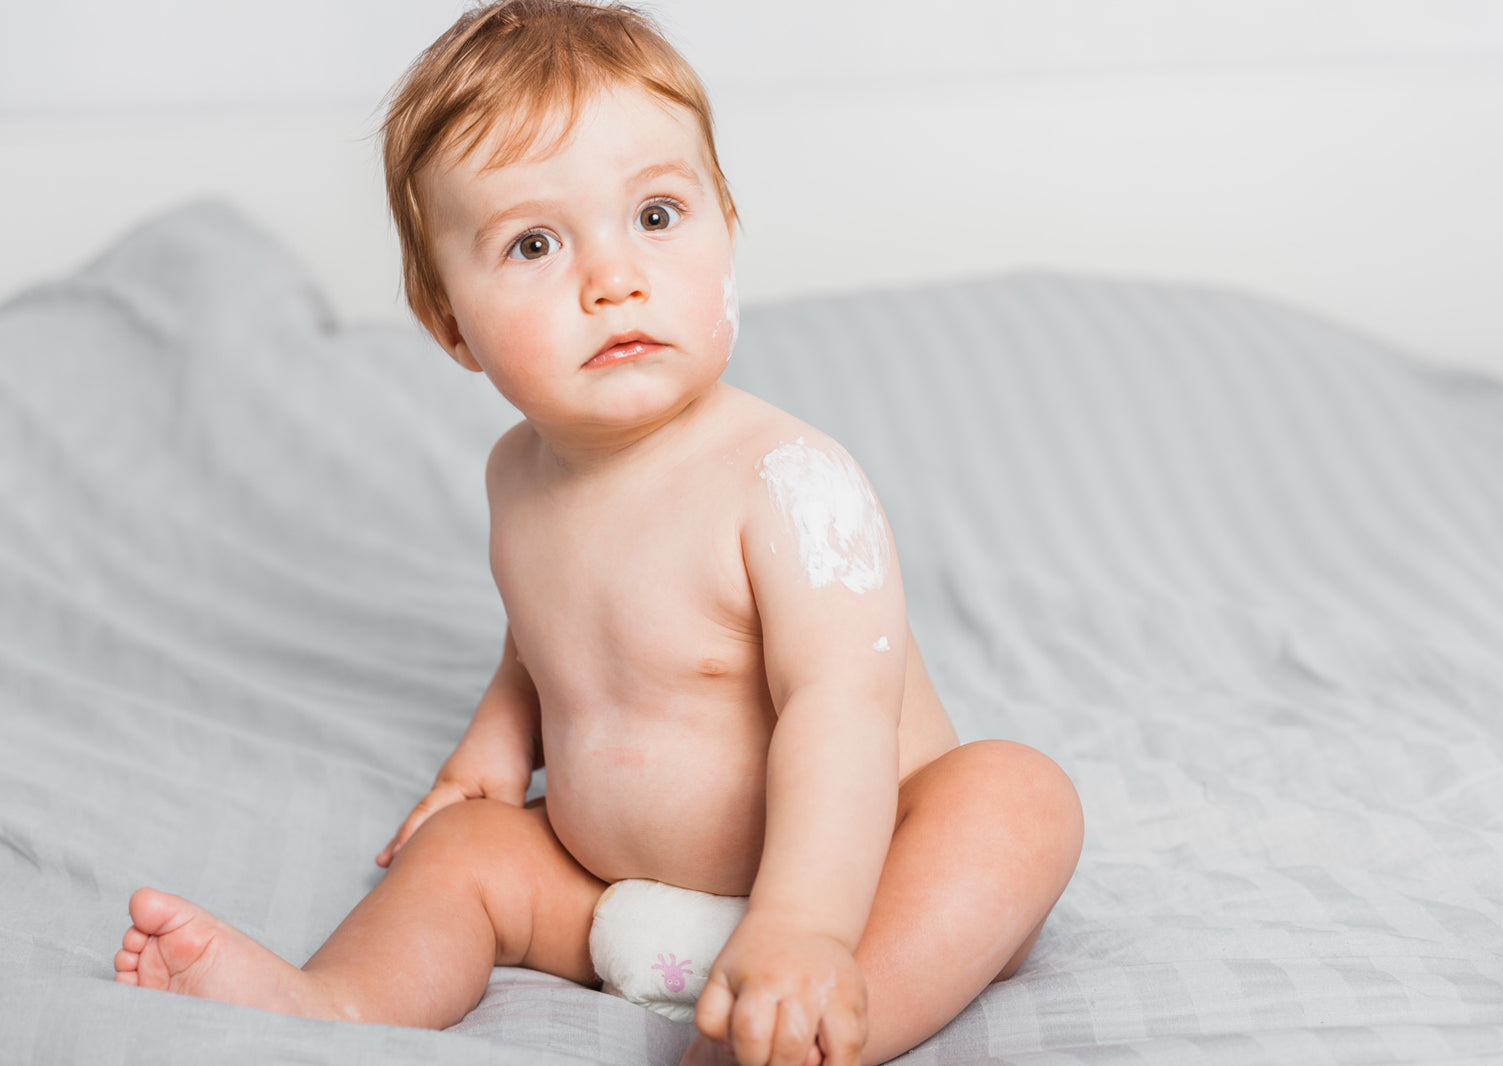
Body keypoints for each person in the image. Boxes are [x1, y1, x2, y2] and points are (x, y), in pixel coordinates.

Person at [112, 2, 1084, 1063]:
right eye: (534, 243)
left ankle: (802, 1026)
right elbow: (545, 637)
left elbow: (841, 708)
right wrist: (494, 745)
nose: (613, 279)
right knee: (466, 851)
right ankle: (333, 1004)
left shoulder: (789, 481)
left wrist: (803, 923)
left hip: (857, 892)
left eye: (657, 216)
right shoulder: (515, 476)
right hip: (610, 898)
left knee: (1014, 800)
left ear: (726, 229)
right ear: (449, 323)